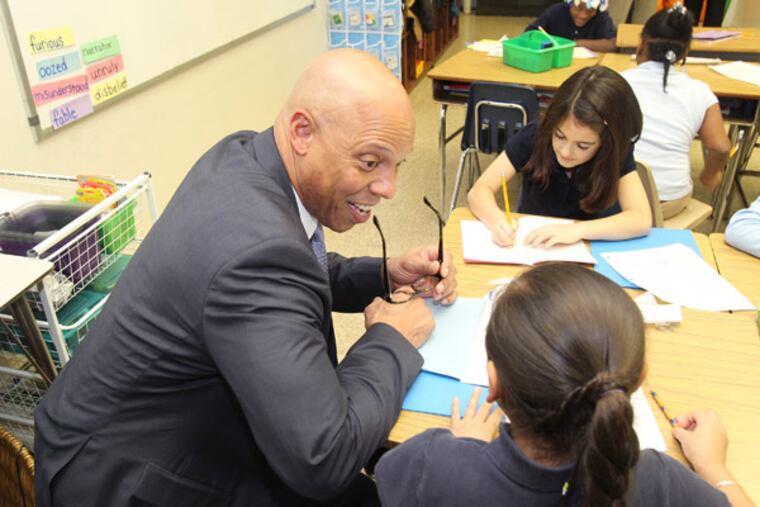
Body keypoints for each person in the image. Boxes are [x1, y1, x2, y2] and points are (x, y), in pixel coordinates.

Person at [33, 48, 459, 506]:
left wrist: (382, 274)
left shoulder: (248, 157)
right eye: (370, 162)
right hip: (124, 481)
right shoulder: (256, 254)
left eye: (398, 166)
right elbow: (323, 457)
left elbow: (294, 269)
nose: (389, 188)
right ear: (302, 132)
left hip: (156, 434)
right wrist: (389, 340)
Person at [375, 263, 756, 507]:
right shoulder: (659, 481)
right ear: (638, 379)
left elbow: (391, 479)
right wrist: (712, 465)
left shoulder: (433, 464)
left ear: (494, 385)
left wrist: (466, 451)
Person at [467, 65, 651, 248]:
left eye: (583, 145)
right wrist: (496, 221)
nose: (565, 151)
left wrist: (576, 230)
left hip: (593, 247)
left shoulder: (615, 151)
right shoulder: (535, 136)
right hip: (533, 246)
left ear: (607, 142)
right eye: (560, 136)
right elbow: (479, 191)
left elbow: (640, 218)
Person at [622, 5, 730, 219]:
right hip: (668, 201)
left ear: (641, 43)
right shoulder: (700, 92)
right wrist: (709, 176)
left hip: (616, 195)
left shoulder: (618, 81)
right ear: (686, 51)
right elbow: (720, 147)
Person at [525, 0, 617, 53]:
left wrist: (574, 44)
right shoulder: (556, 11)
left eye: (590, 11)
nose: (583, 16)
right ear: (570, 4)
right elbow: (529, 34)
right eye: (578, 9)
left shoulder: (601, 16)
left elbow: (612, 44)